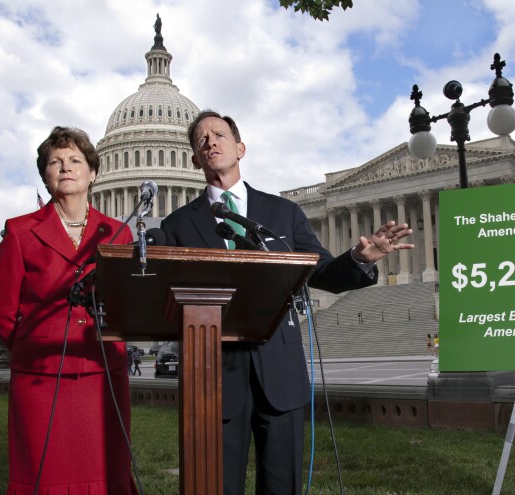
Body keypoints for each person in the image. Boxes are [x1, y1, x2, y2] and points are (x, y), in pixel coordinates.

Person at [160, 110, 414, 495]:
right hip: (212, 373)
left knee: (283, 485)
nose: (211, 141)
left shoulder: (282, 213)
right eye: (201, 140)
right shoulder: (178, 225)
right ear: (196, 159)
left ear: (240, 148)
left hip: (279, 369)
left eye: (219, 135)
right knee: (216, 485)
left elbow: (321, 271)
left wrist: (360, 259)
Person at [0, 126, 137, 494]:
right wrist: (39, 343)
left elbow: (125, 304)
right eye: (55, 162)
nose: (66, 168)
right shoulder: (20, 231)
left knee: (107, 468)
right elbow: (4, 314)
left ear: (93, 173)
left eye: (75, 160)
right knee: (43, 471)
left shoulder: (118, 233)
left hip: (102, 371)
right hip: (40, 375)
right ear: (46, 174)